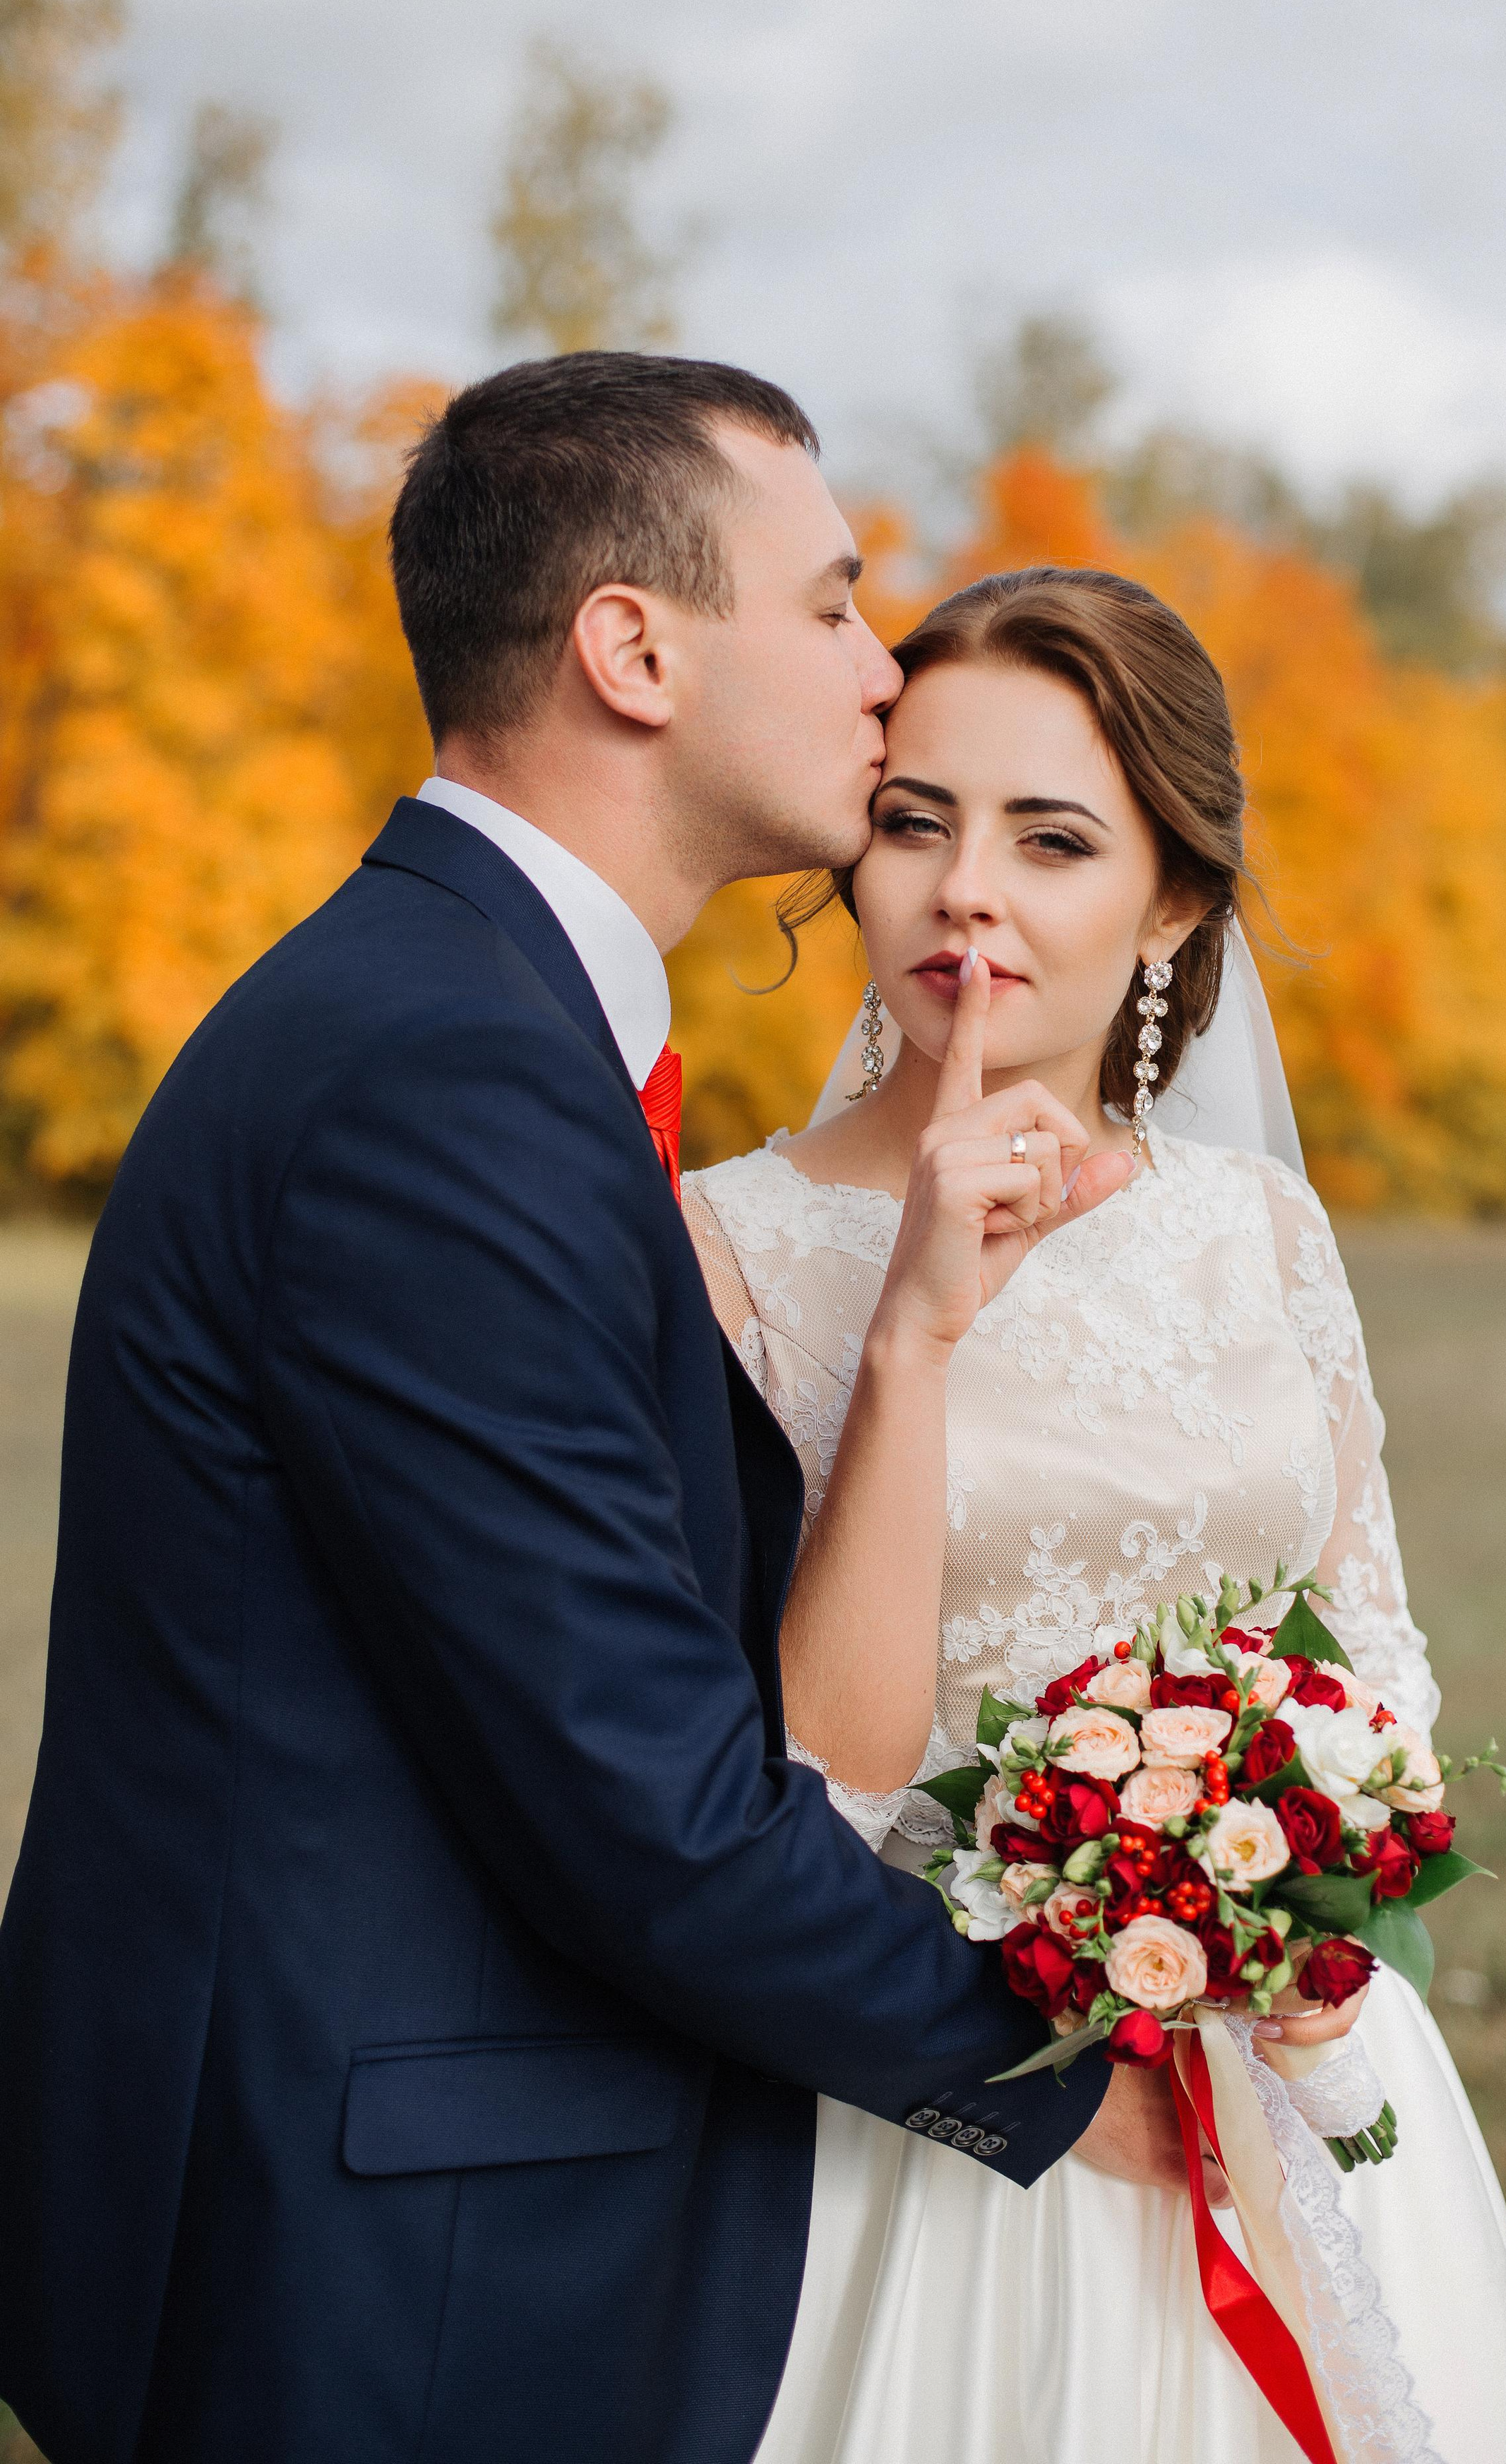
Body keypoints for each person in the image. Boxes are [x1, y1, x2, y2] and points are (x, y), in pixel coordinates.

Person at [0, 358, 1182, 2464]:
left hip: (399, 2200)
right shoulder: (441, 1083)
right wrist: (1069, 2077)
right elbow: (641, 1800)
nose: (882, 668)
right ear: (630, 649)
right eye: (828, 604)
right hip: (379, 2266)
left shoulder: (466, 1026)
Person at [683, 566, 1506, 2464]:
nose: (966, 891)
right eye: (913, 822)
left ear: (1170, 896)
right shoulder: (726, 1253)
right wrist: (912, 1337)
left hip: (1288, 2041)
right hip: (944, 2109)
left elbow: (1377, 1655)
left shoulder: (1254, 1228)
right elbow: (816, 1766)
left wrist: (1295, 1892)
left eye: (1052, 838)